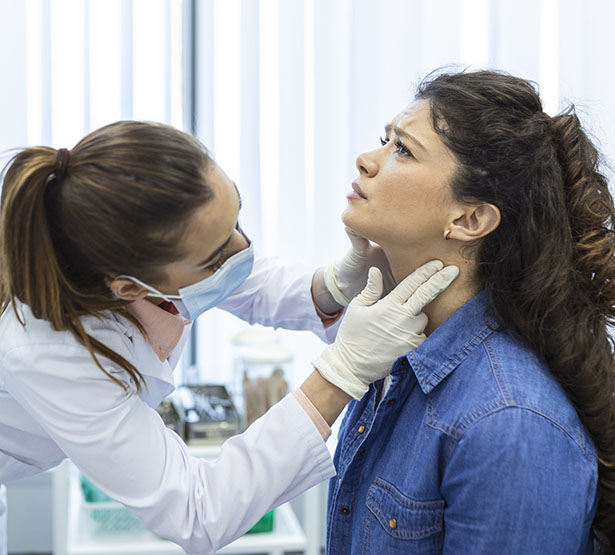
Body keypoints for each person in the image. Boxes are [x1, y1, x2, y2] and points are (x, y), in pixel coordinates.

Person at [0, 120, 458, 555]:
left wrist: (329, 286)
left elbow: (246, 280)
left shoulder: (144, 223)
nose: (243, 251)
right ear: (129, 288)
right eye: (219, 255)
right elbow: (198, 513)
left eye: (236, 218)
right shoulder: (43, 349)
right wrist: (341, 373)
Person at [325, 69, 615, 554]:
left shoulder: (510, 423)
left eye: (402, 149)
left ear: (470, 218)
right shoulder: (394, 355)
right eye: (384, 139)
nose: (366, 160)